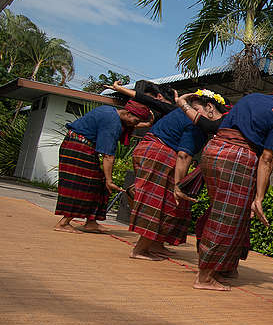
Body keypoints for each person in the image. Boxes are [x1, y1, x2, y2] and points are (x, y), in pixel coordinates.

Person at [193, 84, 273, 291]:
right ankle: (205, 276)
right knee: (227, 218)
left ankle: (224, 268)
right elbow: (267, 159)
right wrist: (259, 198)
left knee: (228, 214)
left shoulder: (253, 98)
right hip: (236, 157)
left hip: (213, 151)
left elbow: (251, 129)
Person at [127, 89, 228, 260]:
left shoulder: (193, 118)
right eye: (193, 108)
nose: (193, 112)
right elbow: (184, 155)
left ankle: (156, 245)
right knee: (162, 202)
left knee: (172, 203)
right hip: (159, 153)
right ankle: (140, 249)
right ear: (209, 107)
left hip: (152, 150)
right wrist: (178, 186)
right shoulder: (196, 123)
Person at [53, 100, 151, 232]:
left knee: (99, 184)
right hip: (78, 148)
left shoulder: (110, 111)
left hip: (77, 145)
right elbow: (108, 156)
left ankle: (91, 222)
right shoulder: (112, 122)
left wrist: (147, 123)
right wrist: (110, 181)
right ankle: (64, 223)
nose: (134, 125)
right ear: (128, 113)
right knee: (81, 185)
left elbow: (129, 124)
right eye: (135, 121)